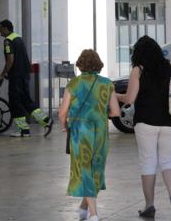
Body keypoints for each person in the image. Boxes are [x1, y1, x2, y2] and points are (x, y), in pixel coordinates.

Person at [116, 36, 171, 219]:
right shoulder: (169, 65)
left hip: (146, 121)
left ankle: (149, 206)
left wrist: (115, 95)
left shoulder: (138, 70)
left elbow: (129, 99)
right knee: (168, 160)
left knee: (148, 162)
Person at [58, 49, 120, 221]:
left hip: (80, 131)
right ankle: (85, 207)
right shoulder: (107, 84)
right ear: (98, 65)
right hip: (100, 131)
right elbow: (115, 112)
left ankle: (93, 213)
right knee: (96, 169)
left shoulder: (74, 84)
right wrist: (99, 113)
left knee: (84, 168)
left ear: (80, 64)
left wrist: (64, 125)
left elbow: (62, 112)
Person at [0, 19, 53, 137]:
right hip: (24, 75)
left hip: (16, 76)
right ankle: (46, 120)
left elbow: (10, 59)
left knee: (15, 101)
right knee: (26, 100)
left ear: (6, 28)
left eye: (0, 28)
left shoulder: (8, 41)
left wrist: (3, 74)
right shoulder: (18, 38)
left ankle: (23, 130)